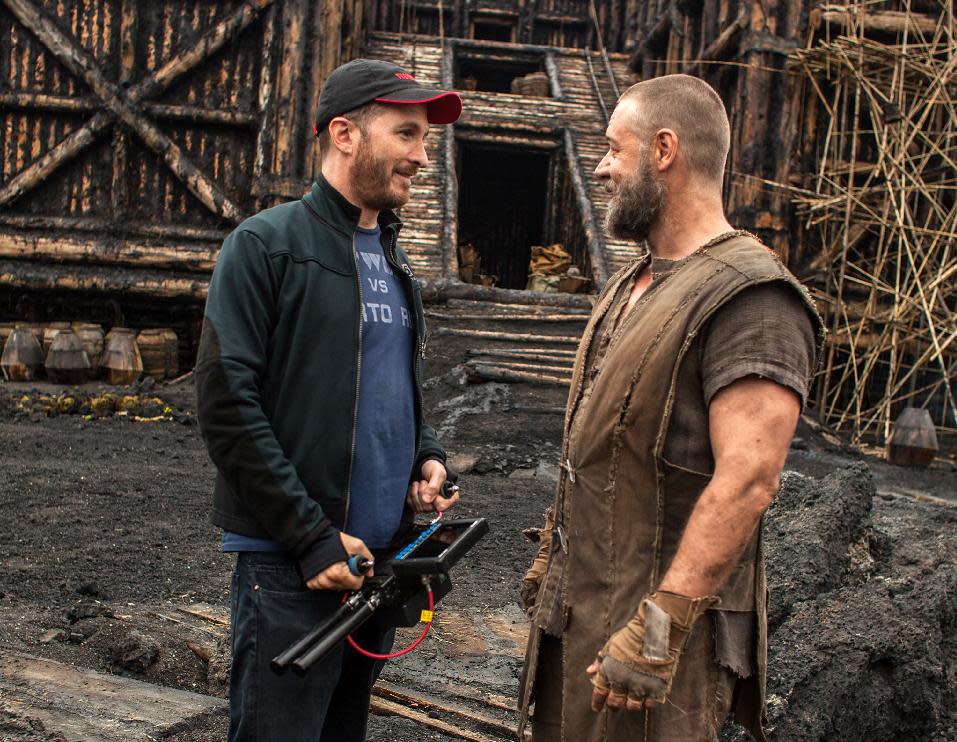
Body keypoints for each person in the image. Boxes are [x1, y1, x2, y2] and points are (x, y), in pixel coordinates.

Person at [518, 74, 825, 742]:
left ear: (663, 150)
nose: (599, 168)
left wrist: (654, 636)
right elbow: (597, 452)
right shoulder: (635, 282)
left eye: (612, 149)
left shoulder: (752, 299)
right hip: (580, 625)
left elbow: (748, 480)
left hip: (657, 662)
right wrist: (550, 560)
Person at [195, 58, 462, 742]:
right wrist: (310, 537)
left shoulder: (395, 265)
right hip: (295, 567)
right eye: (406, 134)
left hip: (373, 562)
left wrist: (424, 461)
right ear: (344, 133)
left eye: (423, 139)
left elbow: (385, 389)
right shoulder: (265, 247)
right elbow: (227, 406)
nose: (421, 156)